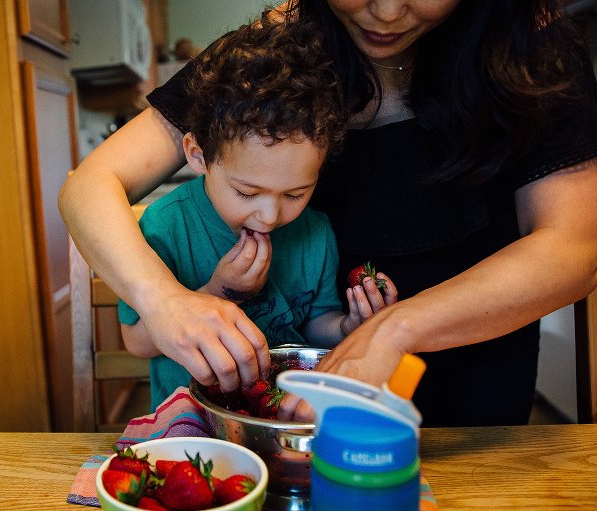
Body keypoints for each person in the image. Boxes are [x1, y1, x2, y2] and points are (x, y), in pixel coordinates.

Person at [59, 0, 597, 427]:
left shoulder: (531, 44)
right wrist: (166, 300)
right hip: (303, 391)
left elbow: (572, 249)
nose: (389, 11)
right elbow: (91, 184)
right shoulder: (271, 55)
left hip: (477, 396)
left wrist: (391, 331)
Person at [117, 19, 397, 408]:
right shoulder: (167, 226)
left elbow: (317, 326)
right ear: (199, 156)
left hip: (280, 417)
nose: (269, 216)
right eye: (247, 192)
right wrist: (218, 292)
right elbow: (137, 342)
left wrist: (352, 327)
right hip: (190, 422)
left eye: (296, 193)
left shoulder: (315, 231)